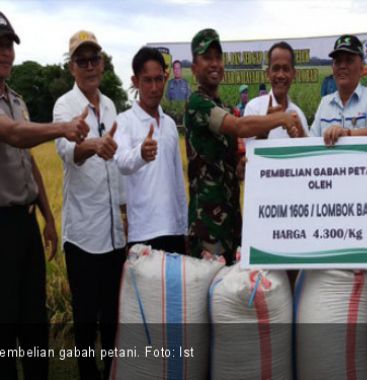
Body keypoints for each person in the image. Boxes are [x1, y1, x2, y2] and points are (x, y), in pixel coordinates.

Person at [0, 12, 89, 380]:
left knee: (34, 318)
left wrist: (48, 219)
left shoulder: (16, 99)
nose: (6, 53)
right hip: (0, 228)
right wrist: (64, 128)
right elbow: (15, 135)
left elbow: (28, 159)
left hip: (25, 225)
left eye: (8, 46)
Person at [185, 28, 302, 264]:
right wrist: (280, 118)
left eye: (218, 57)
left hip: (231, 221)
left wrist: (263, 133)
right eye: (207, 58)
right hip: (207, 225)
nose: (214, 63)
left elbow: (240, 167)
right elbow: (238, 126)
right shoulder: (197, 103)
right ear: (194, 68)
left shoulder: (223, 105)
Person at [53, 30, 126, 380]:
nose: (89, 66)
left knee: (111, 316)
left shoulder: (111, 104)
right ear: (72, 67)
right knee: (85, 319)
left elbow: (117, 162)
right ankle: (87, 372)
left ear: (102, 62)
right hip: (83, 235)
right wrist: (89, 144)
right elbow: (70, 155)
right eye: (82, 61)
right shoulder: (64, 107)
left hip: (113, 234)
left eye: (94, 59)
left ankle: (110, 372)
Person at [115, 47, 187, 254]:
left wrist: (184, 227)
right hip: (143, 234)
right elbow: (121, 162)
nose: (154, 87)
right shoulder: (124, 121)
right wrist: (141, 154)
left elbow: (177, 182)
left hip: (174, 231)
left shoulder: (170, 124)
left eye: (159, 79)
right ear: (135, 81)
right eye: (147, 80)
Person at [310, 34, 367, 145]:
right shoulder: (325, 103)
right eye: (338, 61)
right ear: (332, 67)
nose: (342, 66)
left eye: (349, 61)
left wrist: (347, 134)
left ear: (361, 68)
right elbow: (311, 141)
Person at [244, 41, 309, 138]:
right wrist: (266, 126)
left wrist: (301, 135)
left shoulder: (299, 115)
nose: (280, 75)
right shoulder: (254, 109)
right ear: (267, 73)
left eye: (286, 69)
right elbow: (249, 151)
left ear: (294, 74)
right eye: (276, 68)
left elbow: (306, 151)